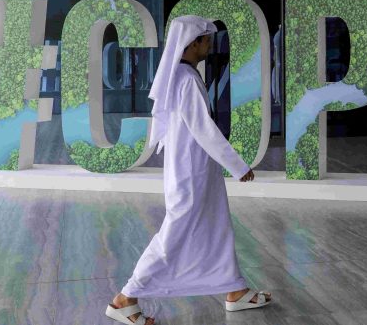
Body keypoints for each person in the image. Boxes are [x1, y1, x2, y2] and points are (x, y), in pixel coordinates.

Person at [105, 16, 272, 325]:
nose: (209, 45)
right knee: (174, 235)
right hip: (191, 173)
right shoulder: (185, 79)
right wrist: (237, 165)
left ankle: (235, 290)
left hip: (196, 169)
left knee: (216, 227)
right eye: (206, 39)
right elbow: (204, 129)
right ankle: (125, 298)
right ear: (193, 43)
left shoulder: (181, 76)